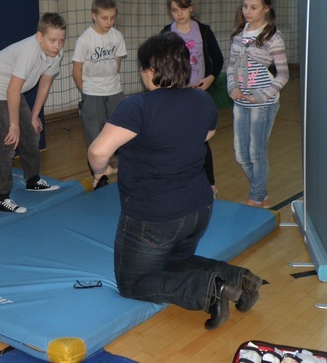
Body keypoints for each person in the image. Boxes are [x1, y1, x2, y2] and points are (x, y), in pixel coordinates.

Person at [88, 33, 263, 330]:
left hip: (155, 217)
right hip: (198, 210)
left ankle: (209, 290)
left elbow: (98, 150)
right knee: (172, 264)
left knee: (133, 283)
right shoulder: (202, 100)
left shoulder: (138, 107)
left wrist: (99, 170)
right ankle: (239, 279)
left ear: (150, 71)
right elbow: (206, 136)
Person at [0, 13, 66, 213]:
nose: (57, 45)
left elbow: (44, 84)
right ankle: (0, 197)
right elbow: (12, 90)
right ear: (39, 36)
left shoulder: (56, 54)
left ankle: (32, 179)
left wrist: (34, 116)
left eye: (61, 40)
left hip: (12, 89)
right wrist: (14, 126)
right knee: (8, 141)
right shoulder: (29, 51)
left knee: (32, 131)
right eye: (52, 40)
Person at [226, 0, 289, 208]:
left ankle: (256, 196)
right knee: (241, 154)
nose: (247, 11)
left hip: (262, 105)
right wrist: (231, 86)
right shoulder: (237, 35)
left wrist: (262, 96)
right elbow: (232, 66)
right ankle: (260, 193)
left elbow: (283, 75)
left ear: (266, 9)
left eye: (253, 7)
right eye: (245, 6)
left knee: (256, 152)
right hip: (240, 103)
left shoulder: (273, 38)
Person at [161, 0, 224, 197]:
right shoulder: (166, 33)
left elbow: (218, 58)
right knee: (176, 139)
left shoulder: (203, 31)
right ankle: (178, 181)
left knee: (201, 140)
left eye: (183, 9)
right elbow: (160, 65)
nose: (179, 14)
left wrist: (210, 78)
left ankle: (210, 184)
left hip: (199, 94)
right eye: (174, 10)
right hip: (176, 96)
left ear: (191, 8)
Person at [72, 0, 126, 188]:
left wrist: (110, 85)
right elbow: (76, 70)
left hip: (114, 92)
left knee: (121, 132)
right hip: (92, 94)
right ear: (94, 15)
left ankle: (125, 170)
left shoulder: (117, 37)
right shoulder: (85, 40)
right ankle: (100, 176)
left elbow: (116, 64)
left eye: (112, 17)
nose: (109, 22)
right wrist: (87, 93)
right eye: (104, 18)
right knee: (94, 136)